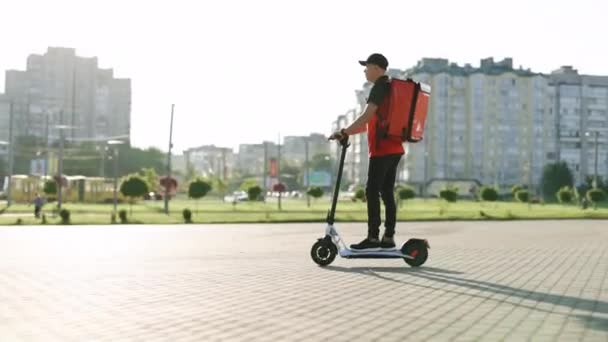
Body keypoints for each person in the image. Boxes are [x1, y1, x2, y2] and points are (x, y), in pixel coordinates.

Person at [329, 53, 404, 251]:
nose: (364, 70)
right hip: (395, 148)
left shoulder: (380, 87)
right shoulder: (389, 88)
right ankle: (388, 237)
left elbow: (367, 115)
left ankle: (373, 237)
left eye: (367, 66)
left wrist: (344, 131)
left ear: (378, 68)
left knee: (372, 190)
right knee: (386, 192)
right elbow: (369, 122)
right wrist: (347, 133)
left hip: (382, 150)